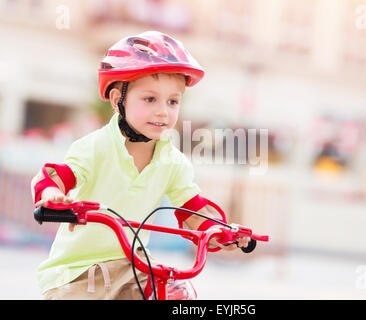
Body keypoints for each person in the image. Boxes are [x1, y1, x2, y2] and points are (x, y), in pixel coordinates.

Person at [30, 30, 250, 300]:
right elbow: (56, 176)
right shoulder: (96, 147)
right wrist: (52, 195)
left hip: (134, 270)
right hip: (76, 274)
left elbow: (192, 207)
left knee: (177, 295)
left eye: (173, 101)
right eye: (150, 99)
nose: (163, 111)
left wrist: (218, 230)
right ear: (116, 101)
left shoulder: (173, 162)